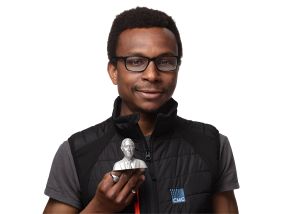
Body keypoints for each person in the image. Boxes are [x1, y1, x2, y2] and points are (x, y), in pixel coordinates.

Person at [43, 7, 239, 213]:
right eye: (136, 62)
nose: (152, 75)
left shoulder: (212, 144)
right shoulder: (77, 152)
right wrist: (99, 208)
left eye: (165, 61)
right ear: (113, 72)